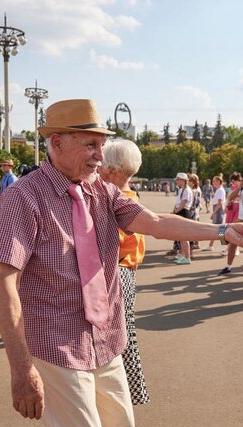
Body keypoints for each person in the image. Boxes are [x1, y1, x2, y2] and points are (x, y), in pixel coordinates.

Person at [0, 99, 243, 427]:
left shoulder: (100, 189)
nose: (100, 155)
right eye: (90, 144)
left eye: (102, 144)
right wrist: (20, 368)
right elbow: (4, 285)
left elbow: (154, 221)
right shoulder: (24, 197)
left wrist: (220, 231)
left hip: (106, 335)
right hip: (56, 340)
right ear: (58, 143)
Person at [98, 139, 149, 406]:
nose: (98, 170)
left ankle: (124, 394)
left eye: (103, 166)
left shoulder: (118, 201)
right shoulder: (129, 196)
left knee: (119, 335)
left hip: (118, 271)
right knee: (122, 332)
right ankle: (128, 393)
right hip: (126, 270)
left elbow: (108, 242)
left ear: (115, 170)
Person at [171, 172, 193, 265]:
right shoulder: (181, 190)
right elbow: (178, 203)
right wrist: (174, 211)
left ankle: (187, 257)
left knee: (184, 237)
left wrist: (176, 212)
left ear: (183, 181)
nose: (177, 181)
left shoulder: (187, 190)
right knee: (181, 237)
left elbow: (184, 204)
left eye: (178, 179)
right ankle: (184, 256)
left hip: (184, 212)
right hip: (180, 211)